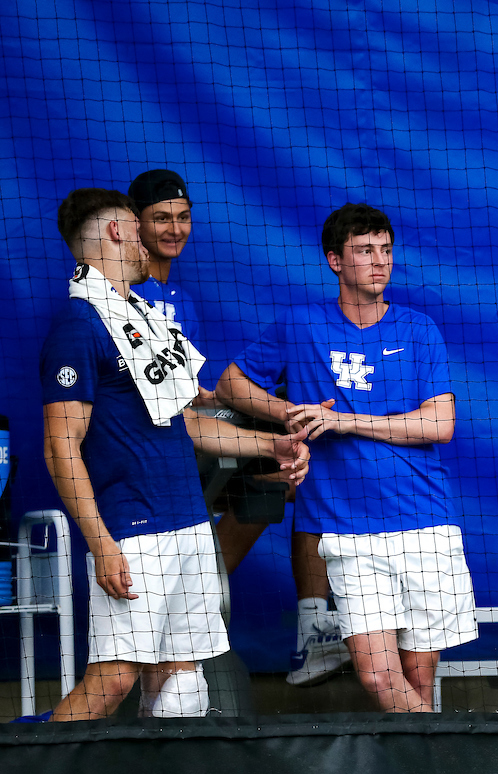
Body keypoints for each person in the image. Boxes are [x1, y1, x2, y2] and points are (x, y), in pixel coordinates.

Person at [41, 188, 309, 720]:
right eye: (142, 229)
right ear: (120, 230)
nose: (152, 243)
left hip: (188, 524)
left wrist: (271, 444)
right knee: (113, 680)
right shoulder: (79, 325)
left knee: (184, 688)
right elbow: (59, 446)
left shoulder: (140, 321)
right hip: (133, 530)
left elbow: (187, 424)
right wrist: (103, 543)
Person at [216, 203, 478, 712]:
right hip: (345, 531)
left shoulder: (419, 329)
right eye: (363, 251)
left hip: (425, 524)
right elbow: (229, 383)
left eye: (385, 250)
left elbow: (439, 424)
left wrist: (345, 421)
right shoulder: (300, 325)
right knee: (380, 679)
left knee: (419, 685)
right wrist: (292, 411)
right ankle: (451, 771)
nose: (379, 262)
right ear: (335, 260)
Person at [128, 169, 349, 687]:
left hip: (191, 427)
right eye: (161, 218)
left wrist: (271, 409)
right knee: (280, 461)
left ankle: (310, 624)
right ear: (131, 223)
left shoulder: (178, 295)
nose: (174, 229)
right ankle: (196, 606)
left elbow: (196, 386)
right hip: (149, 442)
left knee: (287, 473)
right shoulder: (121, 291)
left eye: (182, 218)